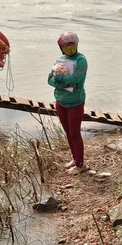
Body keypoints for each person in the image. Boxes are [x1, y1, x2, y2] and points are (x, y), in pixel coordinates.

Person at [48, 31, 88, 175]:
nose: (70, 48)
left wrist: (59, 79)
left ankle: (80, 164)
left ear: (77, 45)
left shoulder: (81, 60)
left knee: (75, 133)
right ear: (61, 47)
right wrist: (61, 81)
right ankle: (75, 158)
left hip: (75, 102)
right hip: (61, 101)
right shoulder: (60, 60)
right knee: (68, 133)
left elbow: (75, 80)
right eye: (66, 46)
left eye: (72, 45)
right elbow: (49, 80)